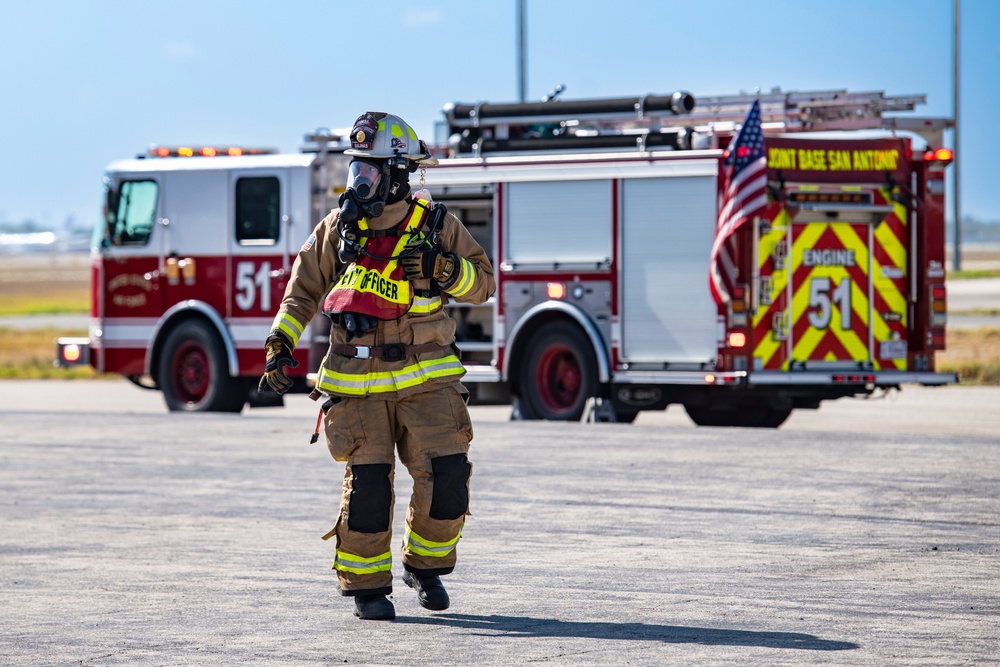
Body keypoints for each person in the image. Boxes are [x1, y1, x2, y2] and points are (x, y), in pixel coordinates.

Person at [258, 111, 495, 621]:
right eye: (355, 171)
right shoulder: (338, 229)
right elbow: (301, 293)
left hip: (429, 381)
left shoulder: (437, 226)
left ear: (397, 173)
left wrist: (444, 270)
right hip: (357, 383)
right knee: (368, 490)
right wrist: (280, 342)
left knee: (449, 481)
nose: (359, 182)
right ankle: (367, 587)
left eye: (369, 172)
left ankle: (424, 567)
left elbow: (484, 283)